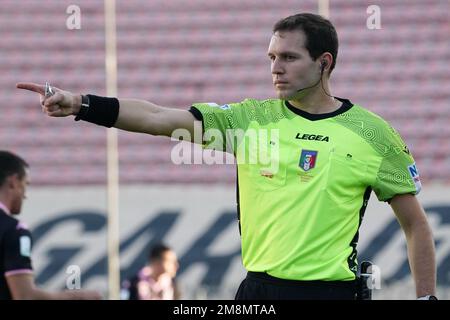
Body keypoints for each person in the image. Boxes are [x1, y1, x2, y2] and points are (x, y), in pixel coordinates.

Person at [17, 13, 436, 300]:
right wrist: (82, 104)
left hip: (328, 291)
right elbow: (159, 117)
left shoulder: (372, 133)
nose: (276, 67)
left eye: (289, 57)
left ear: (323, 63)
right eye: (272, 57)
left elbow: (415, 223)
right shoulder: (249, 120)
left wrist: (426, 296)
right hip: (256, 290)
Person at [0, 150, 102, 300]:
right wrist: (77, 296)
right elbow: (24, 296)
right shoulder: (13, 230)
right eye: (25, 185)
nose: (25, 194)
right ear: (13, 182)